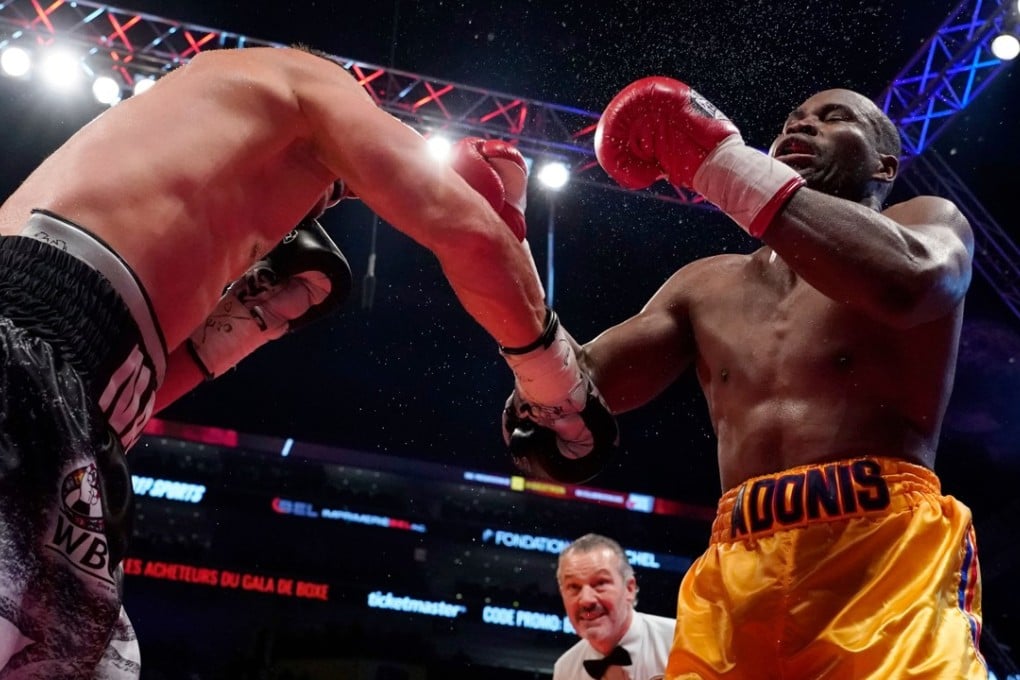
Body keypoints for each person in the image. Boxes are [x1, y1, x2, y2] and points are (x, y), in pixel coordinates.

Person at [0, 45, 548, 678]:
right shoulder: (304, 78)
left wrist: (247, 326)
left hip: (73, 425)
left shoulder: (176, 203)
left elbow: (99, 401)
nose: (314, 213)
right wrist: (556, 378)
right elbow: (471, 232)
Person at [498, 76, 987, 678]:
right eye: (791, 120)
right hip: (737, 568)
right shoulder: (706, 284)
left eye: (834, 118)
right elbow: (582, 388)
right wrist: (497, 258)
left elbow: (914, 280)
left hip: (882, 558)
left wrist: (720, 164)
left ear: (885, 164)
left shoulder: (929, 221)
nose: (800, 125)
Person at [554, 534, 675, 680]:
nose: (586, 600)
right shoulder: (565, 670)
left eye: (600, 583)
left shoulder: (678, 641)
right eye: (574, 587)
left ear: (629, 588)